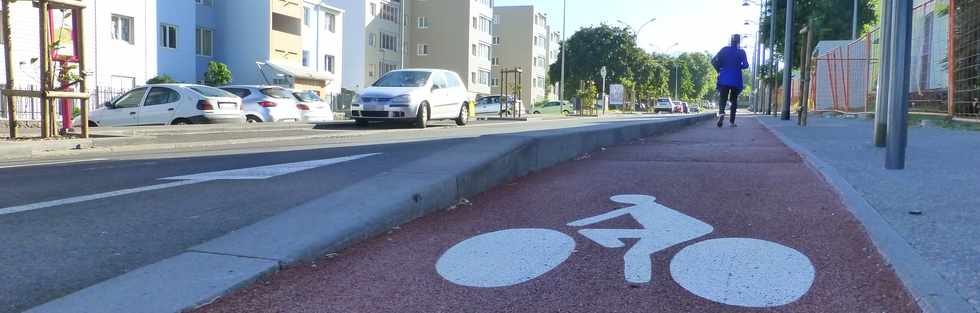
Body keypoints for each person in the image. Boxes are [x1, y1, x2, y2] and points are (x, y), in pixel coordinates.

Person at [712, 34, 750, 128]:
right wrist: (738, 66)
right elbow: (746, 65)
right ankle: (732, 122)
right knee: (734, 100)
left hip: (724, 78)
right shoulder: (741, 52)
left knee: (723, 98)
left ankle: (721, 114)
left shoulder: (724, 49)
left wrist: (719, 69)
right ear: (739, 42)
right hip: (736, 79)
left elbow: (713, 61)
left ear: (730, 41)